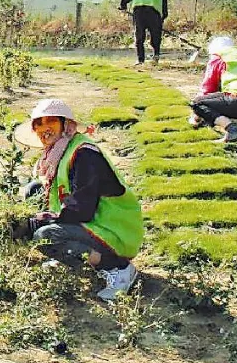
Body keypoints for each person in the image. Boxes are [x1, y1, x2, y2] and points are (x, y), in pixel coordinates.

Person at [11, 99, 144, 301]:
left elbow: (82, 209)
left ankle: (118, 267)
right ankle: (72, 252)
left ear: (66, 125)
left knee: (46, 236)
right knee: (34, 191)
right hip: (90, 221)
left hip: (112, 230)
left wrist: (39, 221)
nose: (44, 128)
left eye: (51, 122)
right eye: (38, 124)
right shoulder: (57, 152)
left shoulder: (84, 154)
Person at [119, 0, 168, 65]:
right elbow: (164, 3)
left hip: (138, 10)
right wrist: (162, 18)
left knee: (139, 35)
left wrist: (123, 5)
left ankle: (140, 60)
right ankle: (156, 56)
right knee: (155, 35)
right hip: (153, 11)